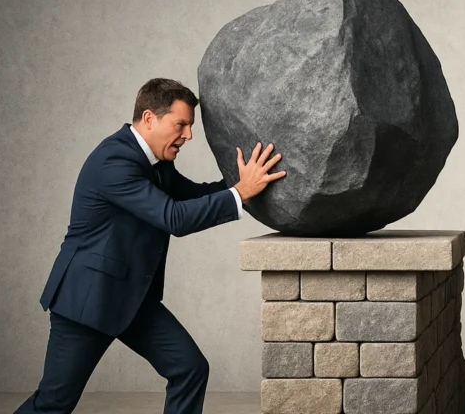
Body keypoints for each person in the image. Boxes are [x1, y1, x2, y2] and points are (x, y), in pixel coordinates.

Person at [16, 78, 286, 414]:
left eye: (189, 126)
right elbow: (174, 217)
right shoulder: (114, 161)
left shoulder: (157, 164)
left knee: (189, 368)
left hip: (131, 298)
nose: (188, 135)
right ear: (149, 118)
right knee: (54, 403)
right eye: (181, 124)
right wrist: (240, 193)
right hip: (88, 300)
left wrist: (243, 183)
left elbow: (193, 196)